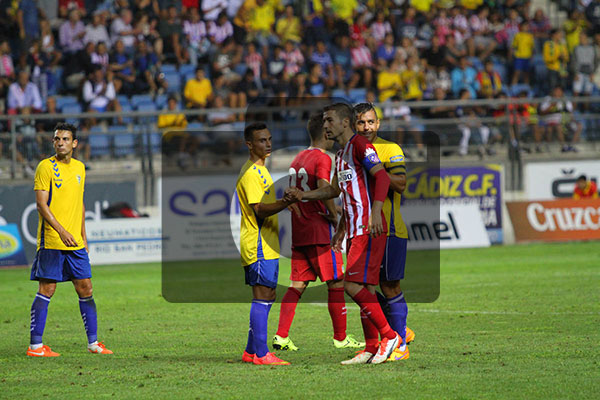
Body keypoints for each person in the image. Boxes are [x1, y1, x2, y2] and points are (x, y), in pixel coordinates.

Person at [285, 103, 400, 365]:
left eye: (329, 120)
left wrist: (375, 212)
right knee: (365, 288)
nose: (325, 125)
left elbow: (382, 178)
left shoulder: (361, 145)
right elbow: (335, 191)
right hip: (354, 229)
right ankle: (371, 347)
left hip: (368, 228)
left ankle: (389, 335)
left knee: (351, 285)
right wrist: (306, 198)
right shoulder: (341, 153)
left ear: (344, 122)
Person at [272, 113, 364, 352]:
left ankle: (281, 336)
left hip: (300, 230)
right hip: (319, 230)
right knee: (337, 282)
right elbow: (325, 190)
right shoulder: (323, 159)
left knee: (297, 284)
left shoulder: (297, 158)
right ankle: (341, 337)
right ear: (325, 132)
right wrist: (334, 216)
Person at [27, 122, 112, 357]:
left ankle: (93, 343)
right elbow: (41, 205)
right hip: (53, 240)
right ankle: (35, 346)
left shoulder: (79, 168)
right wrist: (62, 231)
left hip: (76, 242)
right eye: (57, 139)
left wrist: (83, 235)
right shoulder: (45, 167)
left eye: (65, 139)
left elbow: (79, 203)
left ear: (74, 143)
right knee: (48, 288)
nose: (60, 143)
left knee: (86, 288)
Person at [353, 103, 415, 361]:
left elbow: (400, 184)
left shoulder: (390, 149)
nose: (366, 127)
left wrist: (374, 168)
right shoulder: (348, 152)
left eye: (370, 122)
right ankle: (390, 333)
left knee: (389, 286)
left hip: (388, 229)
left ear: (378, 124)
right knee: (361, 287)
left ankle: (400, 343)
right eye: (361, 123)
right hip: (361, 231)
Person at [237, 122, 293, 366]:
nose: (268, 144)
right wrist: (285, 202)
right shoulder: (251, 173)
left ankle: (251, 351)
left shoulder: (261, 170)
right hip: (258, 244)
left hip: (268, 243)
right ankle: (261, 354)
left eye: (269, 139)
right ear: (249, 144)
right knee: (262, 295)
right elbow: (259, 210)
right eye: (262, 140)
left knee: (268, 294)